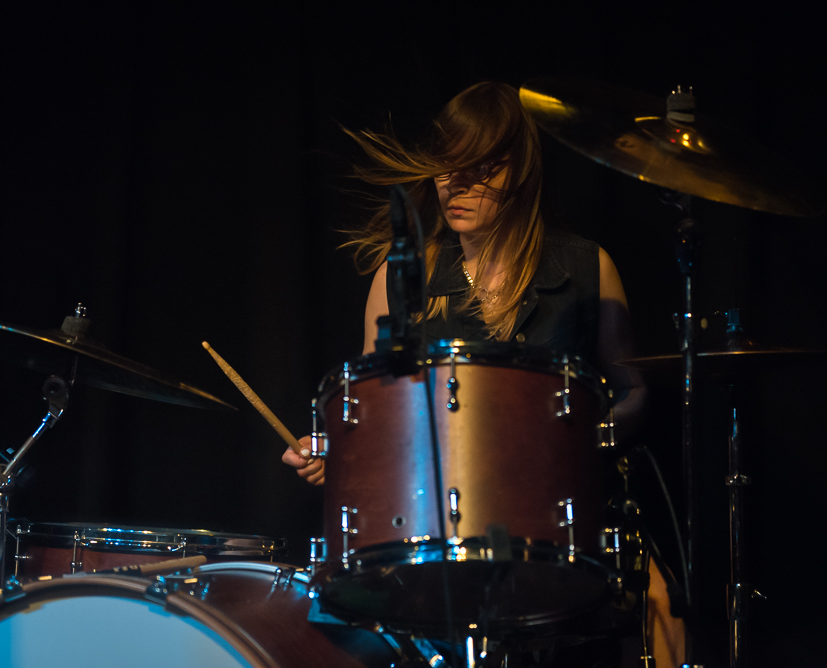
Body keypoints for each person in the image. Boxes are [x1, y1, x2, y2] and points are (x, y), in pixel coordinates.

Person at [282, 81, 682, 667]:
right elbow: (369, 416)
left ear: (519, 170)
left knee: (662, 610)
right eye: (447, 168)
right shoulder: (399, 281)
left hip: (554, 526)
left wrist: (572, 438)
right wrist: (331, 448)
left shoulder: (585, 266)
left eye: (479, 168)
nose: (455, 185)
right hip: (432, 528)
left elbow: (634, 390)